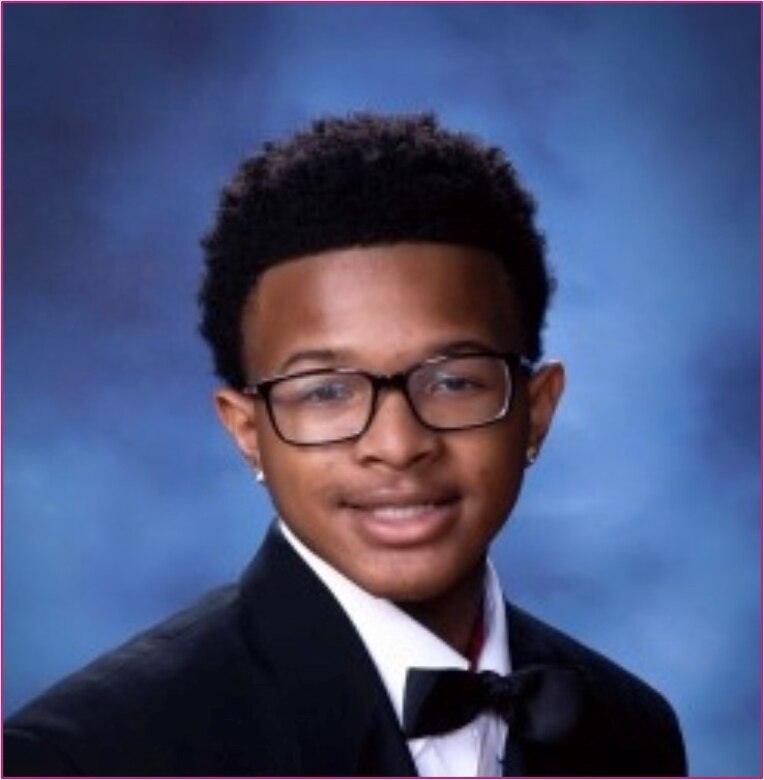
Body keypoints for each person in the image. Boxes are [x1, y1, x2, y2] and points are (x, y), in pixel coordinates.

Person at [4, 112, 687, 777]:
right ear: (248, 432)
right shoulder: (83, 758)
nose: (397, 445)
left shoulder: (630, 729)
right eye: (326, 391)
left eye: (452, 381)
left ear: (535, 412)